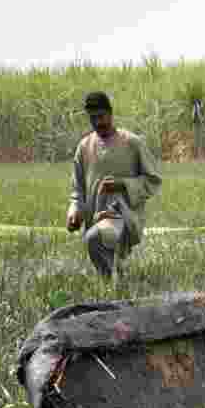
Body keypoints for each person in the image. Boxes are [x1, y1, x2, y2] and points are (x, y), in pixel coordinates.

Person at [66, 91, 162, 278]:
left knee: (95, 239)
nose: (98, 122)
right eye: (93, 118)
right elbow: (77, 191)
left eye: (101, 117)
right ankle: (118, 286)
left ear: (111, 114)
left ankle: (115, 286)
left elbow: (153, 181)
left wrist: (123, 185)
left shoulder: (132, 143)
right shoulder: (84, 147)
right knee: (99, 246)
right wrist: (74, 211)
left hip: (123, 216)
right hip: (95, 218)